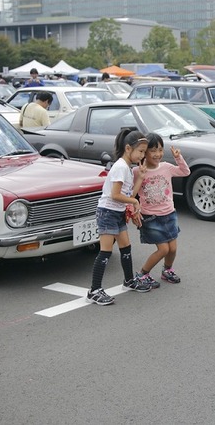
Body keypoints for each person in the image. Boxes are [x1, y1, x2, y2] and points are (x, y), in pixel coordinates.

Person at [88, 129, 151, 305]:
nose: (142, 155)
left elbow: (129, 193)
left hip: (117, 212)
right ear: (128, 148)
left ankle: (129, 281)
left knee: (126, 247)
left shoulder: (128, 169)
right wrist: (134, 203)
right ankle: (94, 290)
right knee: (105, 251)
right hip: (107, 212)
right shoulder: (120, 167)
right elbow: (115, 195)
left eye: (144, 152)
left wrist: (141, 178)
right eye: (140, 151)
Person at [132, 133, 190, 287]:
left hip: (169, 214)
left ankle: (167, 270)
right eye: (153, 150)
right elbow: (130, 193)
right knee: (163, 249)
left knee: (172, 248)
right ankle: (142, 274)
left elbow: (185, 172)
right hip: (151, 217)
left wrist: (178, 158)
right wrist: (133, 210)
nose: (157, 154)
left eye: (160, 149)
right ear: (145, 152)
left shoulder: (166, 167)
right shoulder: (137, 171)